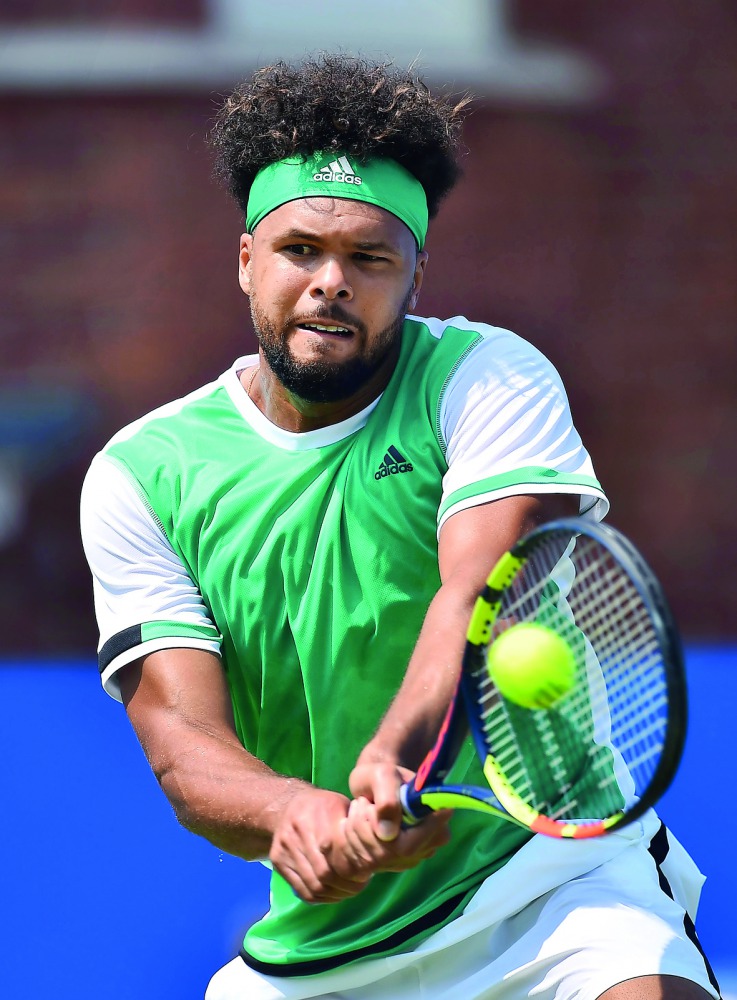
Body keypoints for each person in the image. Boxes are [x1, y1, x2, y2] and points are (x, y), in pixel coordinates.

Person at [80, 55, 720, 1000]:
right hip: (320, 958)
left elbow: (476, 587)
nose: (331, 281)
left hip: (553, 891)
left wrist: (395, 752)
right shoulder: (141, 474)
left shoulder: (486, 377)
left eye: (368, 258)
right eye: (301, 250)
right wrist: (293, 811)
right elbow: (184, 748)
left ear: (414, 272)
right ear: (247, 259)